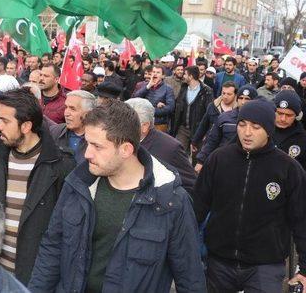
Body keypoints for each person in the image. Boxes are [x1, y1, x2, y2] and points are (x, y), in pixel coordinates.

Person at [29, 100, 205, 292]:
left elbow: (190, 279)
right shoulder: (78, 183)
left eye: (97, 146)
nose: (87, 153)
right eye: (87, 143)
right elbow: (52, 249)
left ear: (126, 150)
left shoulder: (171, 201)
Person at [193, 99, 306, 292]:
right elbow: (197, 208)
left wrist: (304, 268)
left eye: (256, 127)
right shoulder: (219, 159)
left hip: (266, 266)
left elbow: (301, 220)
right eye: (242, 124)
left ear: (269, 129)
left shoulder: (288, 168)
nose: (247, 132)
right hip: (219, 262)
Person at [0, 88, 75, 285]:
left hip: (35, 278)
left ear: (26, 126)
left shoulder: (60, 165)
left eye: (5, 121)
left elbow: (63, 232)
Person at [126, 98, 196, 194]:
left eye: (125, 122)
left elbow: (190, 185)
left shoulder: (170, 148)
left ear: (145, 126)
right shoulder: (119, 142)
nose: (119, 126)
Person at [195, 85, 257, 172]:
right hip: (223, 162)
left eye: (247, 99)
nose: (243, 102)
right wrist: (201, 161)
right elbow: (212, 141)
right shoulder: (224, 117)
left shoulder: (259, 121)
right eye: (241, 98)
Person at [171, 65, 214, 154]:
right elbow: (177, 107)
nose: (183, 76)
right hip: (182, 129)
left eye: (185, 74)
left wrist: (206, 132)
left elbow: (210, 113)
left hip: (198, 131)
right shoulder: (183, 88)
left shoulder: (206, 91)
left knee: (196, 158)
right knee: (178, 154)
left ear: (190, 76)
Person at [191, 81, 237, 155]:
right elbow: (203, 125)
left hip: (227, 148)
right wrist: (195, 141)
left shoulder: (238, 110)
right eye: (223, 93)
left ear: (235, 95)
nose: (225, 96)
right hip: (210, 145)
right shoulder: (212, 106)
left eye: (229, 94)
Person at [50, 90, 97, 164]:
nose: (66, 113)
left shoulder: (98, 140)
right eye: (66, 107)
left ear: (88, 114)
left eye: (72, 109)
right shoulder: (54, 132)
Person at [134, 65, 175, 132]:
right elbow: (136, 98)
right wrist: (148, 86)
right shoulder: (146, 85)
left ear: (163, 76)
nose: (155, 74)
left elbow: (170, 108)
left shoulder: (168, 88)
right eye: (153, 72)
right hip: (144, 122)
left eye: (158, 72)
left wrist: (150, 111)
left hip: (159, 124)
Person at [273, 90, 306, 170]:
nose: (283, 119)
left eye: (289, 115)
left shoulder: (303, 139)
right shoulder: (261, 129)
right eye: (279, 113)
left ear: (297, 116)